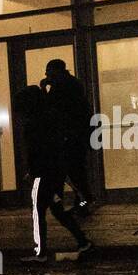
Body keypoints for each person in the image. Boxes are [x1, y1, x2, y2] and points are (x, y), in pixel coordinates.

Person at [17, 84, 93, 264]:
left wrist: (31, 172)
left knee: (38, 212)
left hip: (42, 174)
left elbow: (35, 151)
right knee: (57, 209)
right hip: (56, 171)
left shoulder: (32, 123)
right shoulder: (53, 117)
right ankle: (82, 241)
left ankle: (40, 252)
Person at [43, 59, 95, 216]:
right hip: (75, 137)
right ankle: (83, 202)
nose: (47, 76)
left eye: (49, 73)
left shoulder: (64, 86)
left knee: (74, 172)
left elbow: (52, 107)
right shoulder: (70, 84)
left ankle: (84, 201)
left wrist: (44, 89)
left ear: (56, 72)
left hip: (71, 138)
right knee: (75, 172)